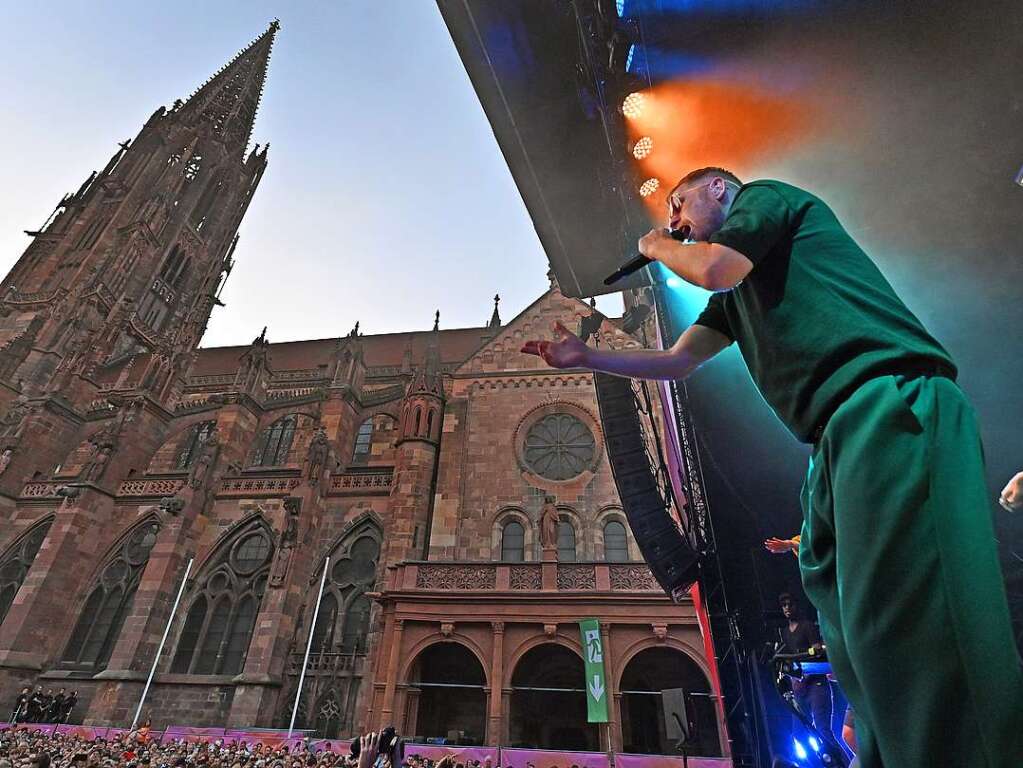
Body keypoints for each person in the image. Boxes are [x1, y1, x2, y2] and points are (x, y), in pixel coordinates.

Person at [522, 167, 1023, 766]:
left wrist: (656, 246)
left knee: (920, 618)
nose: (675, 220)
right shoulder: (734, 297)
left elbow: (715, 266)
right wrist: (588, 357)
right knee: (849, 621)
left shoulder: (763, 199)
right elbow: (678, 362)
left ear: (717, 190)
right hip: (832, 436)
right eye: (670, 215)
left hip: (887, 397)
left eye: (678, 205)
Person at [777, 593, 837, 751]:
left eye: (790, 604)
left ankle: (840, 762)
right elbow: (789, 661)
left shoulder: (807, 626)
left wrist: (804, 677)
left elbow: (818, 653)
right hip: (799, 687)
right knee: (799, 734)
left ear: (796, 606)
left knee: (823, 730)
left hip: (816, 684)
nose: (787, 608)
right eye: (784, 605)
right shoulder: (784, 632)